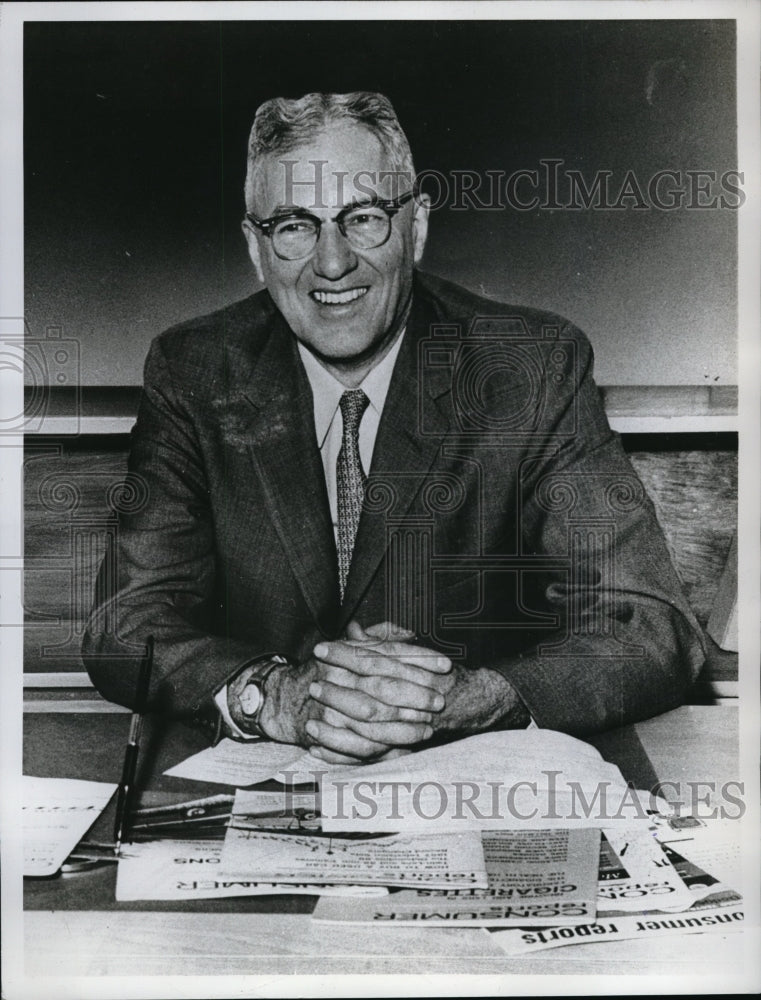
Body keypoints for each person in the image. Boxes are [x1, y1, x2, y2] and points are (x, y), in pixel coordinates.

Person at [83, 91, 705, 764]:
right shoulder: (195, 369)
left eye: (363, 218)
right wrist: (274, 695)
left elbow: (646, 623)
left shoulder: (528, 367)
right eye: (294, 224)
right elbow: (127, 625)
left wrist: (474, 695)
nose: (331, 262)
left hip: (471, 786)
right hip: (256, 789)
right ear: (256, 248)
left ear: (415, 227)